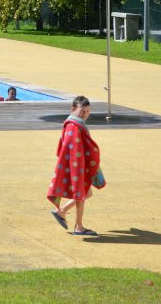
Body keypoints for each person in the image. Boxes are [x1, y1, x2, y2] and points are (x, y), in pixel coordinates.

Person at [47, 95, 105, 236]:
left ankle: (61, 211)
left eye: (87, 112)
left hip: (77, 164)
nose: (85, 114)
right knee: (82, 193)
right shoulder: (73, 125)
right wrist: (78, 166)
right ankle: (78, 227)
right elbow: (74, 148)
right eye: (82, 111)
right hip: (76, 165)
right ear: (73, 109)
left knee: (86, 193)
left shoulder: (73, 123)